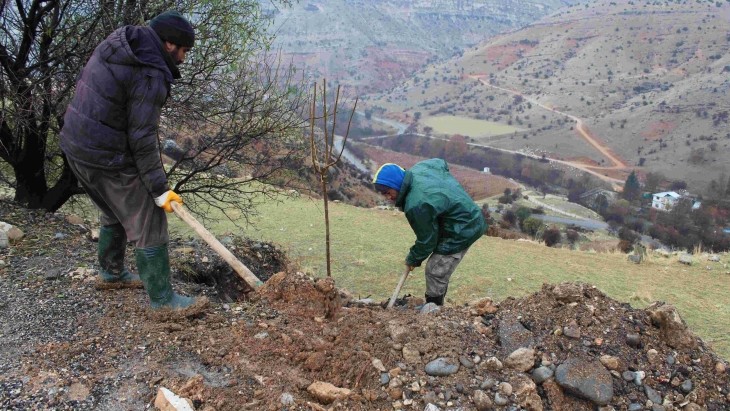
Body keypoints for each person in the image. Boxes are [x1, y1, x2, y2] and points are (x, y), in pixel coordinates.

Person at [60, 11, 201, 310]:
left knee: (114, 208)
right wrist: (159, 189)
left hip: (75, 144)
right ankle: (164, 302)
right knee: (149, 219)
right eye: (184, 50)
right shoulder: (150, 73)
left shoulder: (120, 43)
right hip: (105, 153)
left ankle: (111, 273)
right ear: (168, 44)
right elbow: (143, 138)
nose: (184, 59)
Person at [373, 159, 487, 306]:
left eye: (388, 192)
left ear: (396, 185)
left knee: (435, 270)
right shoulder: (421, 168)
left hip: (464, 228)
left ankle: (434, 308)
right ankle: (435, 304)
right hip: (466, 214)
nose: (387, 197)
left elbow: (427, 240)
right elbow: (440, 163)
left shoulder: (416, 204)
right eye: (383, 194)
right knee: (437, 267)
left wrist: (413, 259)